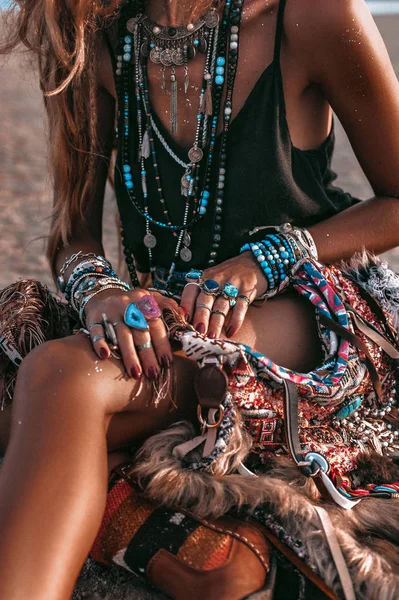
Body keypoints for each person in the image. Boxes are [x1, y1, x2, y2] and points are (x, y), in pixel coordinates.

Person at [1, 0, 399, 598]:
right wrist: (100, 289)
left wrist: (268, 259)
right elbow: (72, 233)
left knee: (63, 379)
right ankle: (156, 532)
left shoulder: (313, 15)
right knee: (29, 407)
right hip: (164, 316)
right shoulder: (89, 29)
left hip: (311, 310)